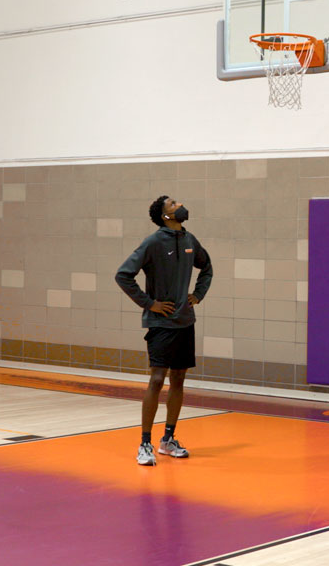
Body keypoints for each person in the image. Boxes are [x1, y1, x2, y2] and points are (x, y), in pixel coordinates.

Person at [115, 195, 213, 466]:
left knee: (179, 379)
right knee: (158, 379)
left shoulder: (190, 239)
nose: (179, 204)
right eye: (173, 204)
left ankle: (167, 440)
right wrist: (150, 304)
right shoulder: (154, 242)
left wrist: (198, 294)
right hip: (161, 323)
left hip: (185, 321)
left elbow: (207, 268)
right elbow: (123, 275)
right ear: (165, 215)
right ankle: (144, 443)